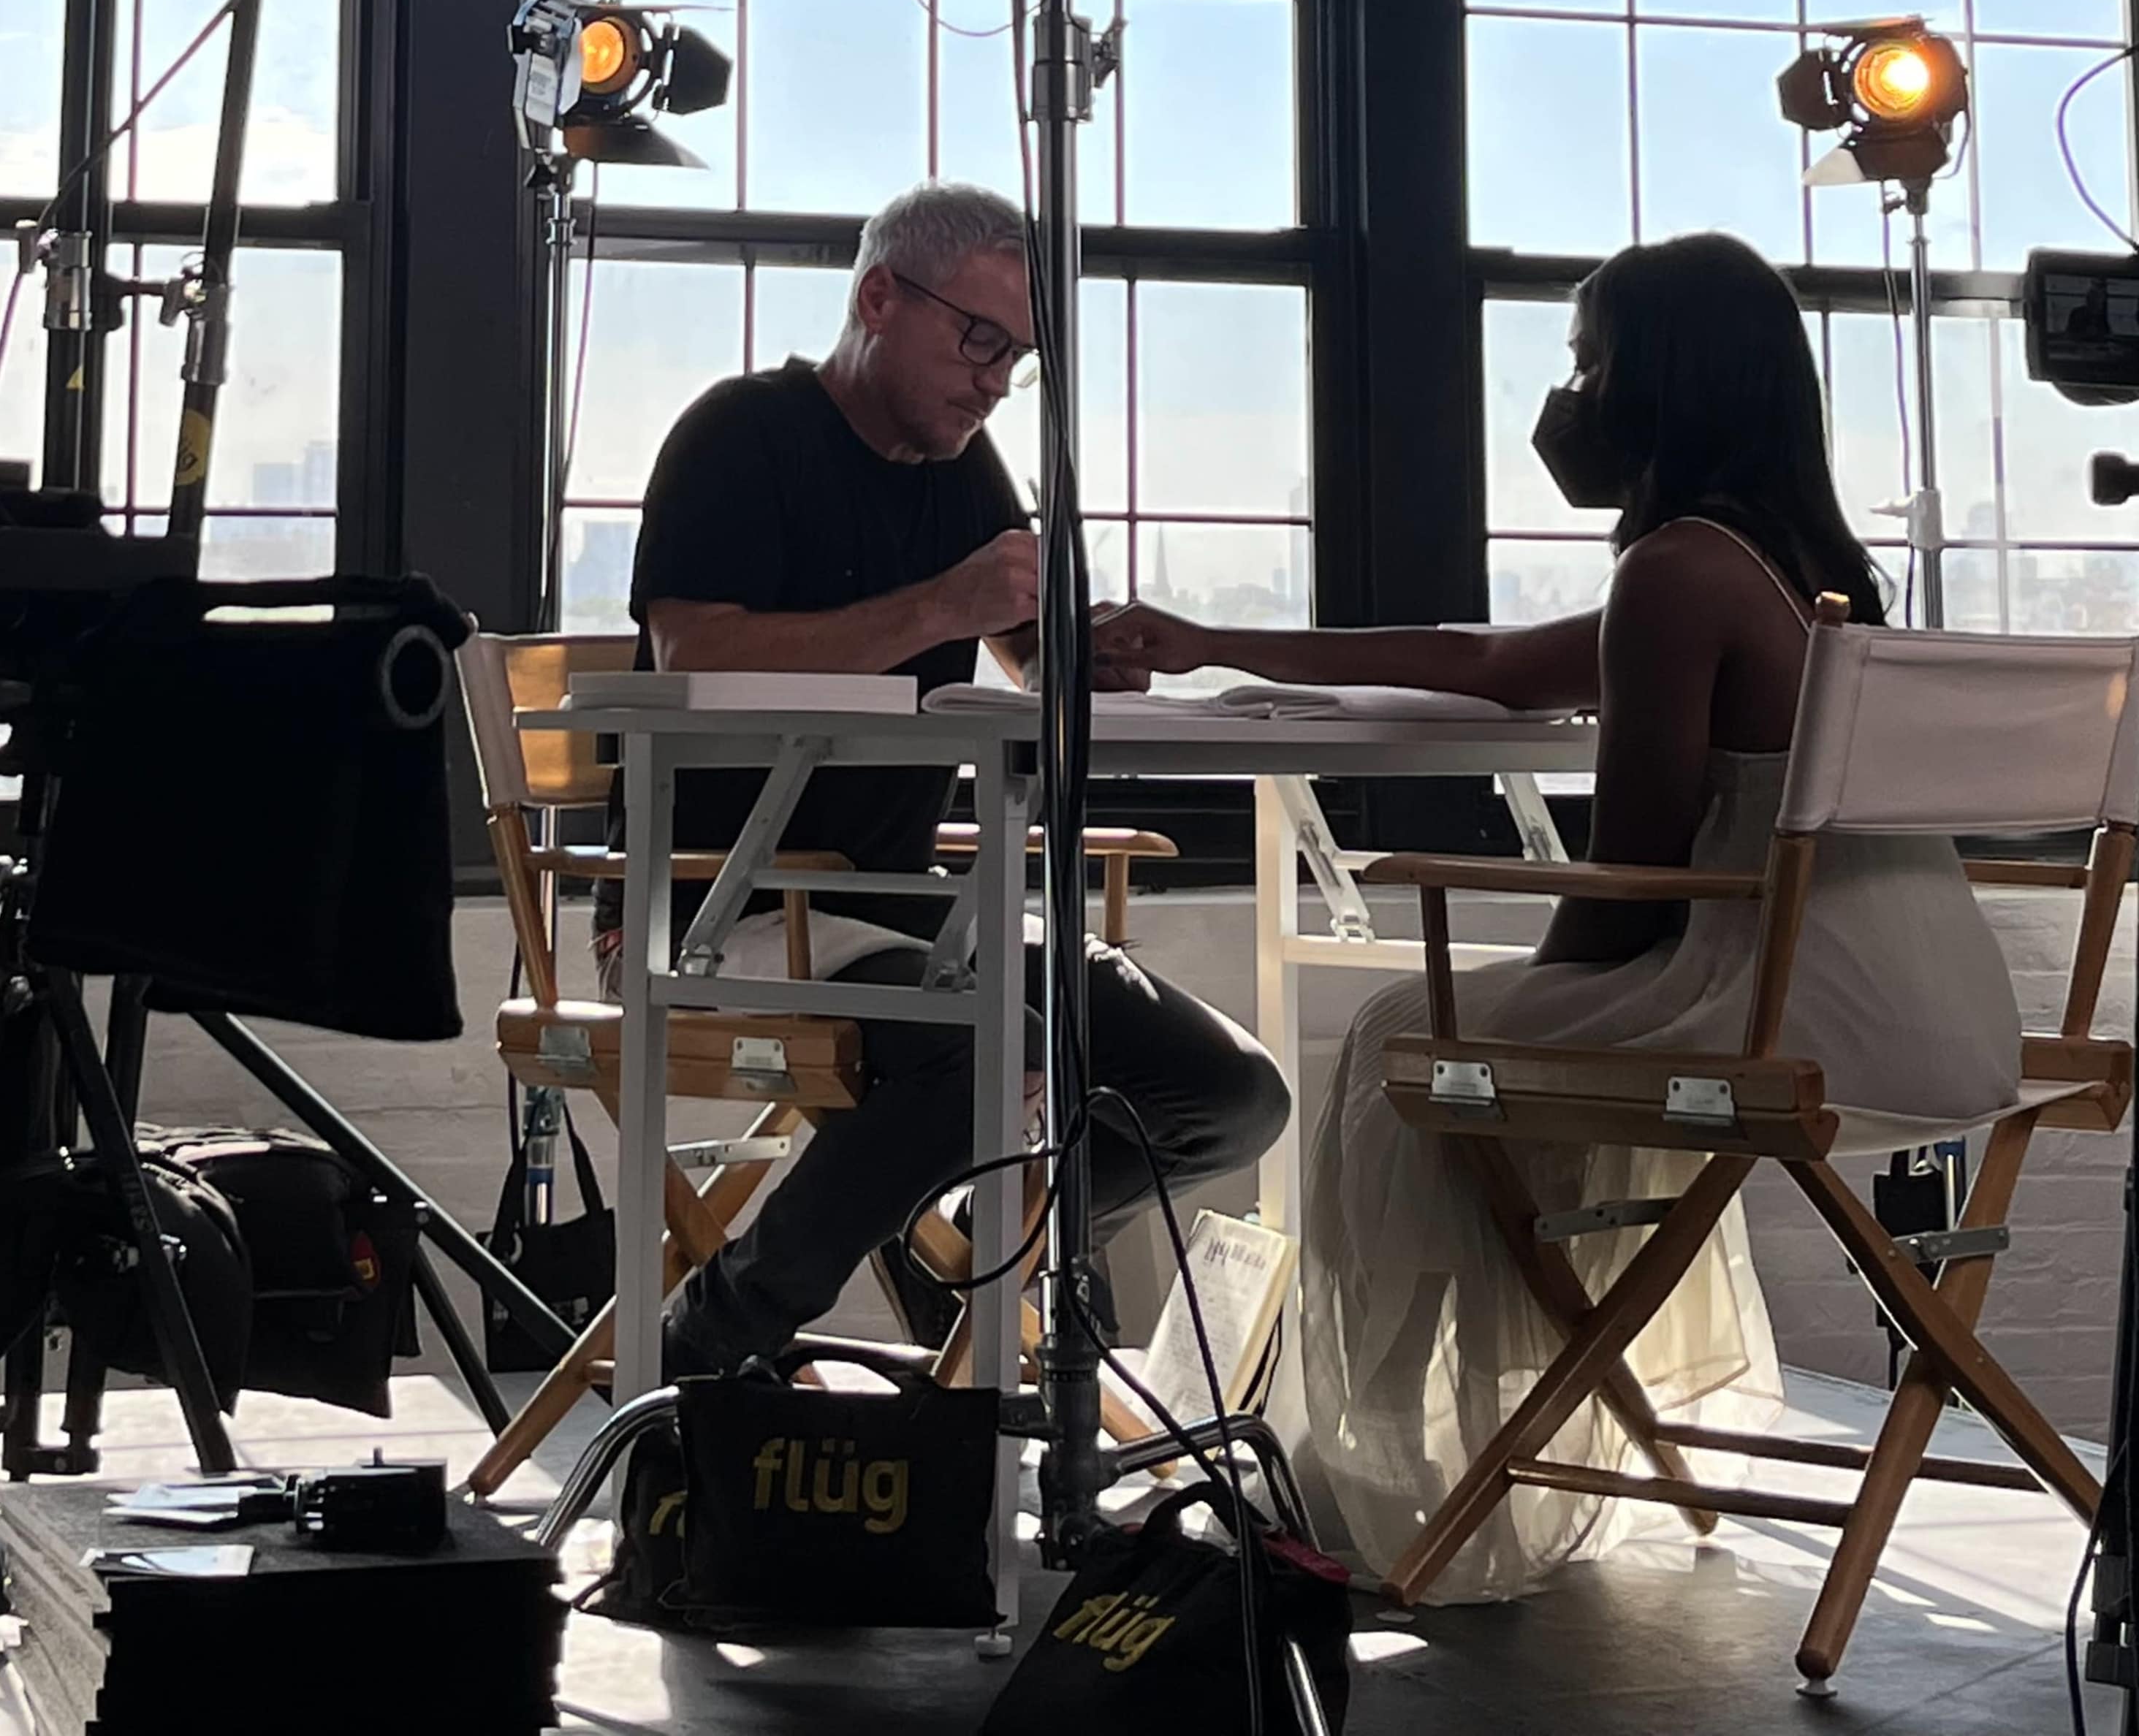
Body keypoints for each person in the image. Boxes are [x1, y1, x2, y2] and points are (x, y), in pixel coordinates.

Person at [1098, 228, 2024, 1599]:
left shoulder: (1678, 572)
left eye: (1590, 366)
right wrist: (1211, 642)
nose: (1570, 398)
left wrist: (1507, 1026)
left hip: (1792, 1015)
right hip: (1949, 1020)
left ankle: (1400, 1465)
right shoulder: (1787, 564)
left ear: (1663, 384)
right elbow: (1492, 662)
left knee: (1406, 1043)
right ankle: (1518, 1424)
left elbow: (1630, 879)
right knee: (1472, 1056)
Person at [606, 180, 1290, 1376]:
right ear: (879, 297)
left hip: (905, 908)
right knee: (981, 1044)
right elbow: (694, 657)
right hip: (712, 908)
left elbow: (1025, 650)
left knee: (1228, 1092)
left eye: (1016, 357)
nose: (995, 384)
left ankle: (972, 1250)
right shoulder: (742, 434)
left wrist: (1092, 656)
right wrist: (940, 607)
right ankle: (720, 1331)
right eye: (979, 340)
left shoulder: (962, 470)